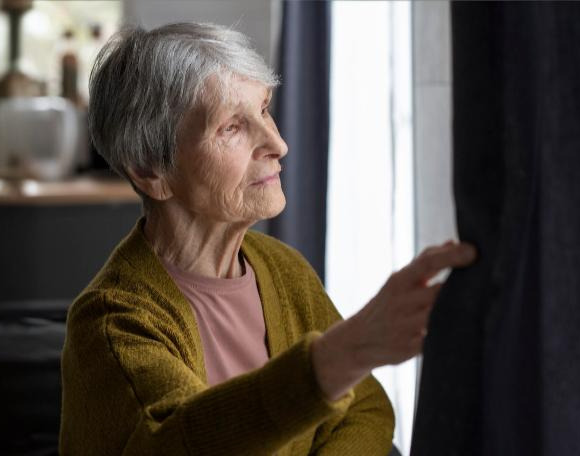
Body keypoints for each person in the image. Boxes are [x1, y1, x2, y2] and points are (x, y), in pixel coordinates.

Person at [58, 22, 477, 455]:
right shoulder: (111, 324)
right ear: (150, 171)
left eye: (264, 109)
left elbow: (368, 410)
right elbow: (182, 442)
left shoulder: (281, 268)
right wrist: (345, 354)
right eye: (231, 128)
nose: (277, 143)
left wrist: (346, 358)